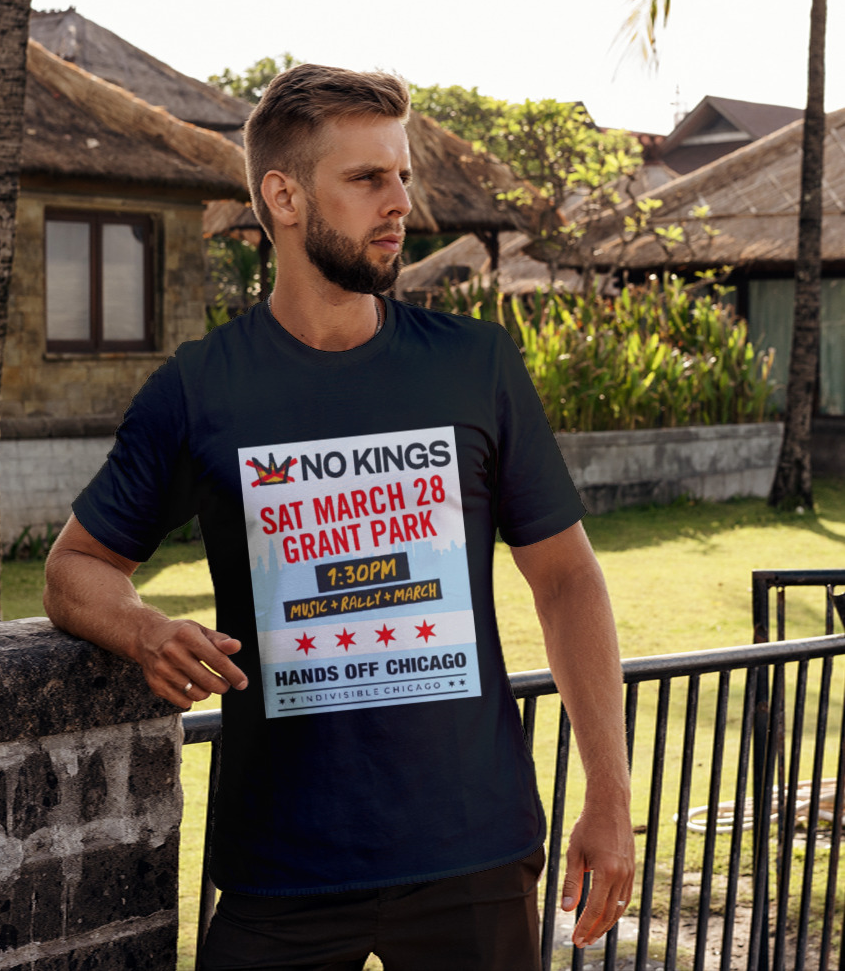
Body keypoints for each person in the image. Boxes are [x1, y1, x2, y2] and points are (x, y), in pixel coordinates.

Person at [44, 63, 634, 971]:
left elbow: (565, 578)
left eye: (400, 174)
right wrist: (144, 629)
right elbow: (72, 567)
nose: (399, 200)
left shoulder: (474, 365)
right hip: (281, 869)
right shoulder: (202, 390)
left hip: (474, 852)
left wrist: (609, 792)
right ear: (283, 195)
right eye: (366, 178)